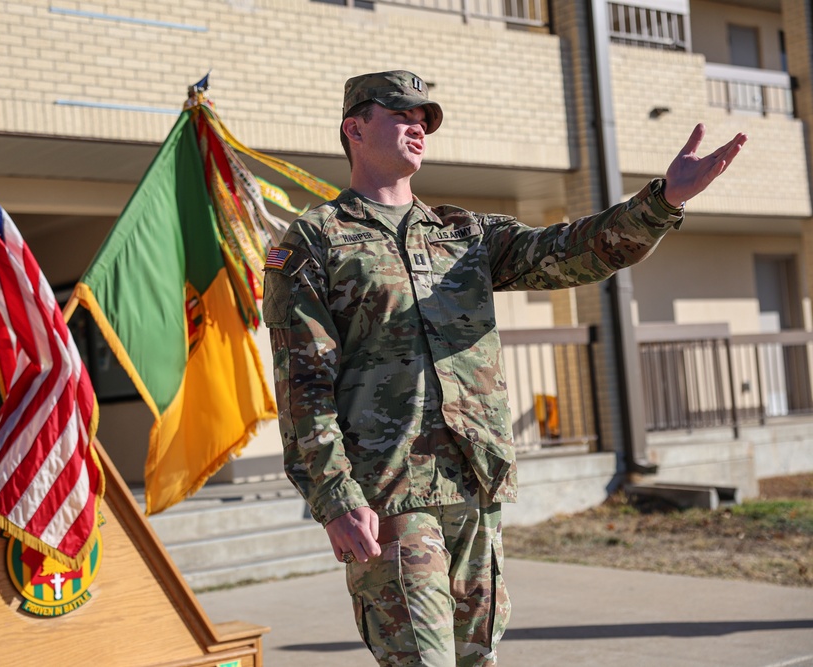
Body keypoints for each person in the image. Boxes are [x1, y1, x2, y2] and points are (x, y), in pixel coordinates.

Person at [262, 70, 746, 666]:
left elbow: (572, 251)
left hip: (474, 484)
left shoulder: (465, 235)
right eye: (401, 115)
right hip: (388, 496)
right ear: (354, 127)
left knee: (477, 660)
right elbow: (303, 385)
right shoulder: (316, 241)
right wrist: (336, 498)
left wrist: (663, 202)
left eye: (424, 119)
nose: (418, 127)